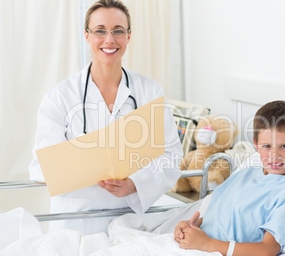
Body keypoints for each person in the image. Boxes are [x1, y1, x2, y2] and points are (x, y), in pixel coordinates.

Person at [28, 0, 183, 235]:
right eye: (100, 30)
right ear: (87, 35)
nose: (109, 39)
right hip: (76, 224)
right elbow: (42, 166)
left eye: (118, 31)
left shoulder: (150, 92)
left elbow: (171, 155)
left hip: (131, 224)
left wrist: (135, 184)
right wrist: (88, 165)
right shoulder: (60, 97)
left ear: (128, 36)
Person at [174, 100, 285, 256]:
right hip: (193, 250)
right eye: (267, 146)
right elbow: (215, 216)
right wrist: (188, 229)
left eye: (284, 146)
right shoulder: (244, 175)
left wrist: (206, 244)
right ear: (256, 144)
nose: (274, 155)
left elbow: (267, 251)